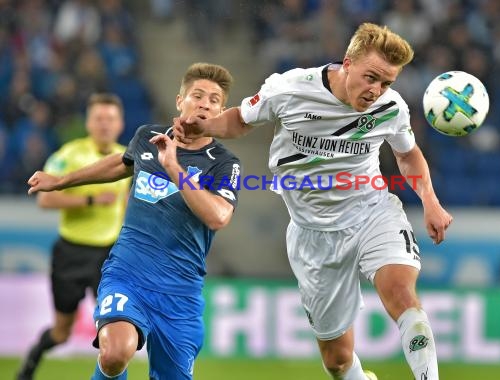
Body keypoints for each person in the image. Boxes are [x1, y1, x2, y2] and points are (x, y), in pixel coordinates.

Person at [176, 23, 452, 380]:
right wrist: (204, 127)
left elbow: (407, 154)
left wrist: (430, 200)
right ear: (347, 63)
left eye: (386, 83)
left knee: (400, 292)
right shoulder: (290, 88)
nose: (376, 91)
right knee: (337, 360)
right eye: (371, 78)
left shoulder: (391, 108)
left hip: (372, 212)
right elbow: (240, 121)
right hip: (313, 234)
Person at [27, 63, 241, 380]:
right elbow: (122, 162)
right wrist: (61, 180)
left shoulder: (224, 163)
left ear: (221, 111)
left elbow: (218, 216)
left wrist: (175, 170)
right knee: (114, 353)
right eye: (197, 95)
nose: (204, 103)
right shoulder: (147, 138)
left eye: (213, 99)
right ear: (180, 100)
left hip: (179, 291)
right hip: (128, 273)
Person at [17, 93, 130, 380]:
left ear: (120, 124)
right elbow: (44, 200)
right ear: (89, 123)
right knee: (61, 332)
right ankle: (31, 361)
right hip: (71, 252)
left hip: (109, 257)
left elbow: (129, 203)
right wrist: (90, 200)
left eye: (110, 119)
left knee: (113, 328)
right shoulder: (69, 155)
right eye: (99, 119)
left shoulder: (128, 158)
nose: (105, 125)